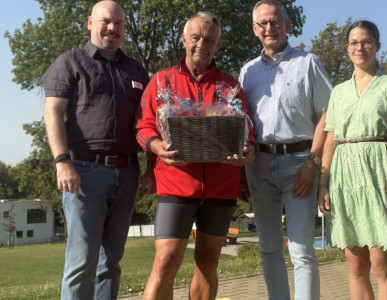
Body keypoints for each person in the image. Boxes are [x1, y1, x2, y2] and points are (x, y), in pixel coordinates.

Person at [135, 12, 256, 300]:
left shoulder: (230, 86)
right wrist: (155, 147)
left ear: (218, 44)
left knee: (207, 264)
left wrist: (248, 152)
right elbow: (143, 124)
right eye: (196, 37)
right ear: (184, 39)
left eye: (210, 40)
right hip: (176, 183)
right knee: (165, 261)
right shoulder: (161, 81)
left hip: (221, 186)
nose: (202, 44)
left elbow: (247, 129)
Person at [42, 1, 152, 299]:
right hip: (84, 173)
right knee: (81, 263)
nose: (112, 28)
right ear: (91, 22)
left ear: (124, 29)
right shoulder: (70, 62)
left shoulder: (136, 70)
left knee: (111, 263)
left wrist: (151, 169)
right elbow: (52, 112)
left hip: (128, 172)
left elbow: (152, 121)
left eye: (118, 24)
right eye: (106, 21)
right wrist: (62, 162)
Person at [317, 20, 387, 300]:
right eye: (353, 42)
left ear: (377, 46)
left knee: (381, 265)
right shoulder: (338, 91)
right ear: (347, 48)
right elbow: (330, 140)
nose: (359, 47)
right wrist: (323, 184)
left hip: (380, 173)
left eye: (366, 41)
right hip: (345, 176)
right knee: (356, 266)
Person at [238, 1, 332, 299]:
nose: (269, 28)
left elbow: (328, 116)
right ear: (255, 29)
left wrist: (313, 162)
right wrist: (241, 173)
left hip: (299, 164)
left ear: (288, 25)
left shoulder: (308, 63)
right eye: (263, 23)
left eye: (275, 21)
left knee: (302, 249)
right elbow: (242, 123)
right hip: (259, 165)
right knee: (269, 248)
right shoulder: (247, 72)